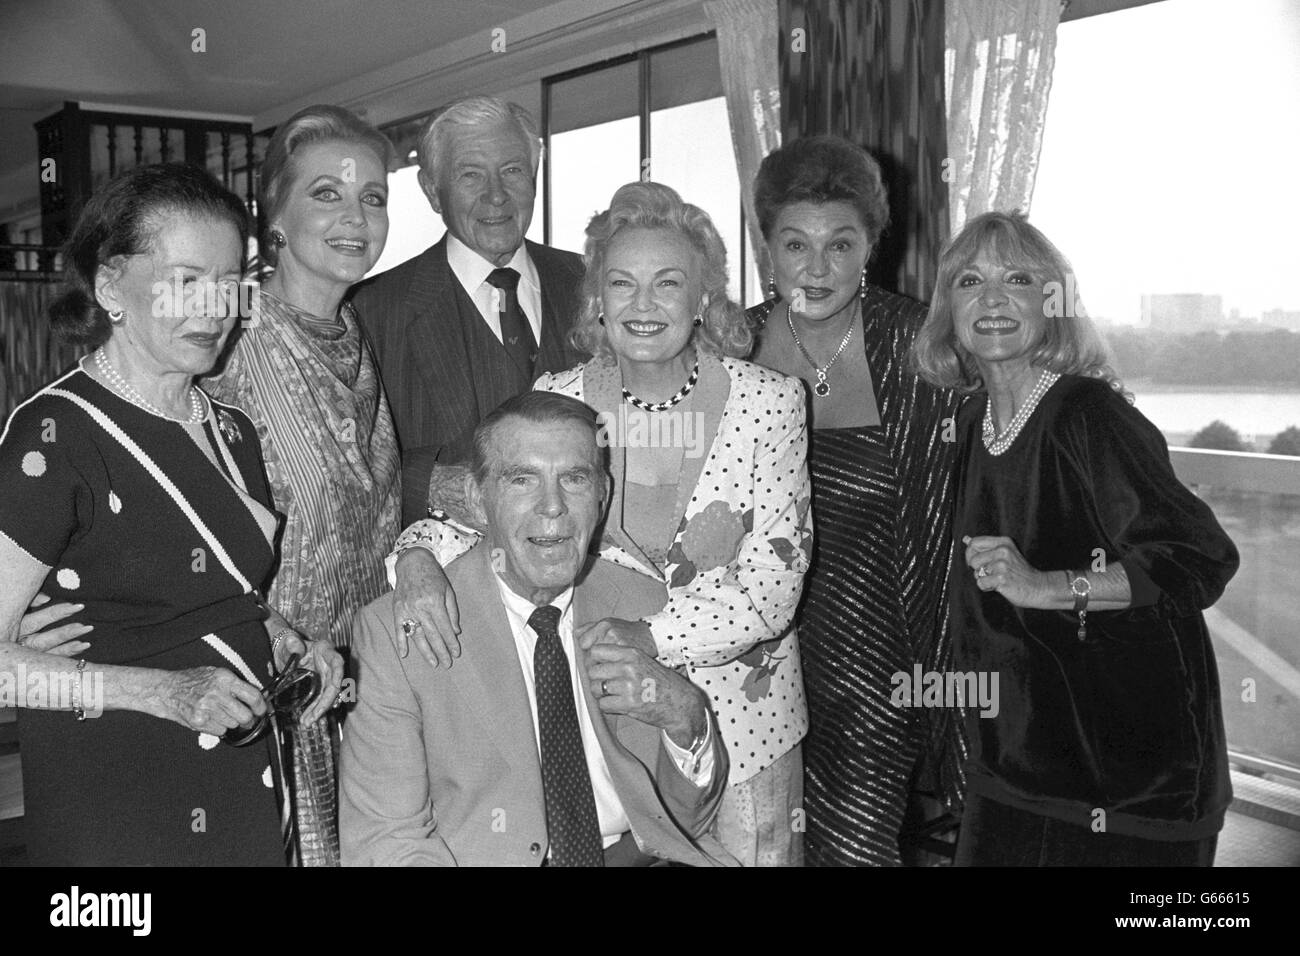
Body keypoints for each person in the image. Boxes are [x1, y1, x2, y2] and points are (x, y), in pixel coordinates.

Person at [391, 182, 813, 866]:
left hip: (743, 728)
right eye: (622, 283)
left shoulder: (770, 402)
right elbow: (484, 513)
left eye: (668, 283)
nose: (643, 305)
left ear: (704, 297)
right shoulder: (556, 397)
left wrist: (644, 636)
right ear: (598, 302)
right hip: (602, 724)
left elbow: (773, 586)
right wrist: (415, 557)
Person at [0, 163, 341, 865]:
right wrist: (161, 692)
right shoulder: (56, 437)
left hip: (242, 772)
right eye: (187, 280)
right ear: (109, 286)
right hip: (118, 788)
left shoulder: (233, 429)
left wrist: (287, 640)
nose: (216, 308)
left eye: (230, 281)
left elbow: (215, 597)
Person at [912, 211, 1239, 866]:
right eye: (971, 280)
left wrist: (1050, 586)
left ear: (1053, 303)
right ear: (949, 308)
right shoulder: (973, 420)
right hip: (1017, 760)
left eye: (1019, 279)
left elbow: (1197, 557)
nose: (994, 299)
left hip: (1126, 773)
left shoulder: (1088, 414)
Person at [341, 392, 733, 866]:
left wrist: (687, 719)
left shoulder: (643, 603)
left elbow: (685, 822)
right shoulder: (395, 632)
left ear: (602, 496)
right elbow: (388, 842)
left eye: (574, 478)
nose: (553, 507)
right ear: (476, 500)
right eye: (523, 480)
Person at [747, 135, 962, 866]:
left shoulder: (920, 345)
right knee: (760, 844)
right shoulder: (728, 347)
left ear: (871, 244)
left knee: (855, 851)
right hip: (748, 658)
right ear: (766, 248)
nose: (816, 267)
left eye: (840, 244)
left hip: (877, 665)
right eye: (794, 243)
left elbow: (985, 477)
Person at [204, 105, 402, 650]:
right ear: (275, 218)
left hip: (367, 673)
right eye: (326, 194)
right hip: (259, 676)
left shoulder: (363, 328)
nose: (356, 218)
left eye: (373, 197)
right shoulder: (223, 336)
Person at [350, 95, 586, 525]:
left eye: (513, 170)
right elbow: (347, 469)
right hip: (448, 579)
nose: (495, 196)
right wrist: (430, 486)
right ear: (431, 191)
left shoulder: (592, 285)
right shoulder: (371, 313)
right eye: (470, 174)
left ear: (535, 177)